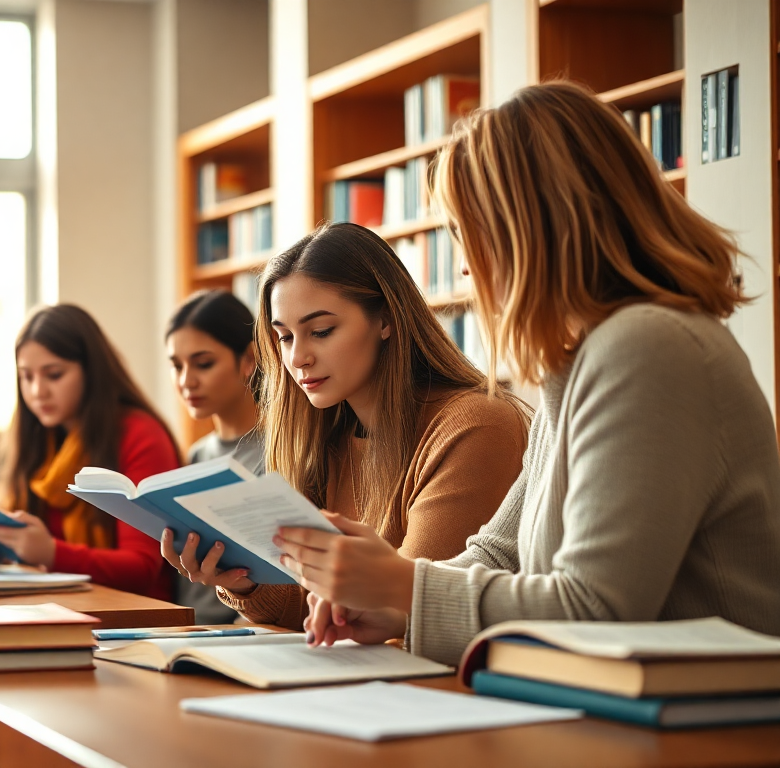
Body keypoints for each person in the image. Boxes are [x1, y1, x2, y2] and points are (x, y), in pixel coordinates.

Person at [281, 82, 780, 664]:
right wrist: (393, 601)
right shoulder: (581, 359)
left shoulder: (650, 348)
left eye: (467, 235)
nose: (464, 266)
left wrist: (401, 586)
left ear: (530, 227)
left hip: (706, 729)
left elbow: (597, 609)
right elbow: (499, 553)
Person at [163, 222, 530, 631]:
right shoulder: (324, 433)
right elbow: (311, 609)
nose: (298, 357)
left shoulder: (474, 425)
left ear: (386, 320)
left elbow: (415, 609)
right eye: (284, 338)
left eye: (320, 331)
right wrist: (244, 581)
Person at [0, 304, 181, 602]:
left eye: (54, 375)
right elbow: (17, 540)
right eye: (26, 377)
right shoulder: (33, 437)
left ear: (91, 371)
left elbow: (142, 567)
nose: (37, 391)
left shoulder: (139, 434)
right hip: (55, 609)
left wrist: (50, 553)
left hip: (134, 620)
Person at [164, 290, 263, 624]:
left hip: (248, 631)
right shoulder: (198, 455)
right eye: (177, 366)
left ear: (248, 360)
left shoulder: (282, 450)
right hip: (189, 627)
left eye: (203, 364)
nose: (186, 381)